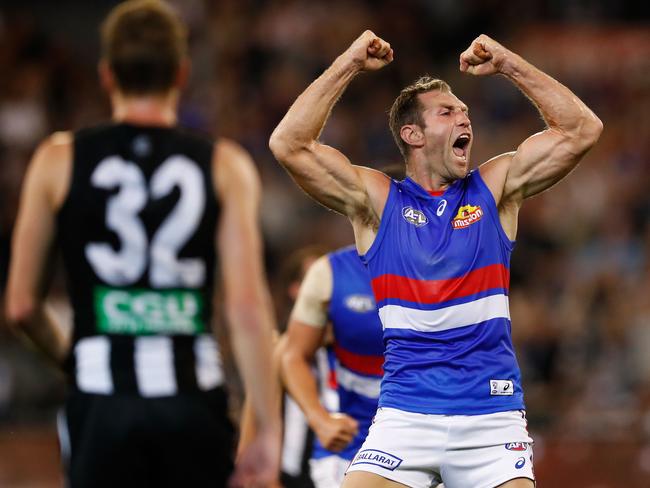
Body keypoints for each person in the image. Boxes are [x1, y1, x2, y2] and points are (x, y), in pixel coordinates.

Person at [270, 30, 602, 488]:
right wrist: (348, 62)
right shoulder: (376, 201)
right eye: (447, 112)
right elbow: (289, 144)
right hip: (405, 416)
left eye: (465, 111)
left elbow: (582, 130)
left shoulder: (496, 187)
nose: (464, 118)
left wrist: (509, 64)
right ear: (413, 134)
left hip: (491, 417)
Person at [4, 1, 280, 487]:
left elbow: (23, 305)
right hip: (192, 400)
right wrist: (268, 430)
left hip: (100, 399)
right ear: (182, 72)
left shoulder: (56, 160)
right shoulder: (224, 164)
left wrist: (72, 356)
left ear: (107, 74)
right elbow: (246, 307)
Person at [280, 244, 385, 488]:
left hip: (423, 436)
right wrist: (320, 420)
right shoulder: (332, 273)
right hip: (344, 450)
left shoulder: (445, 262)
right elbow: (287, 356)